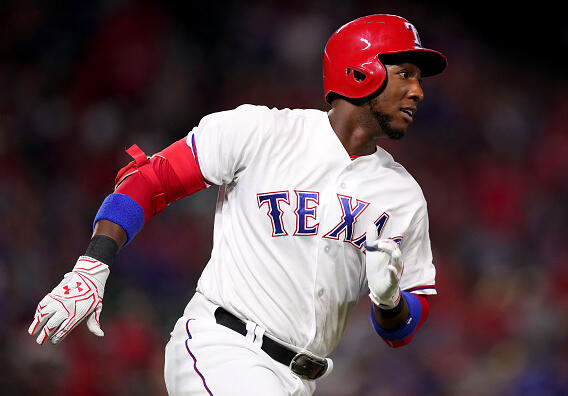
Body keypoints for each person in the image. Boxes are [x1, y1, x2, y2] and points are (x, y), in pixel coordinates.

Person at [29, 14, 447, 396]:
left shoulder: (402, 195)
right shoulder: (262, 132)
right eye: (405, 74)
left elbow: (402, 329)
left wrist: (389, 302)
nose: (418, 91)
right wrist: (93, 264)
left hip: (299, 381)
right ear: (360, 71)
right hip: (223, 347)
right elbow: (150, 180)